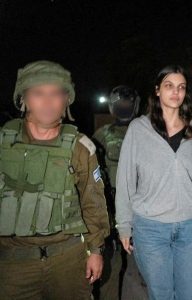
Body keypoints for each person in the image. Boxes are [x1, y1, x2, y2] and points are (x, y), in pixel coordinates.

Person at [0, 60, 110, 299]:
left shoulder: (81, 147)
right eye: (38, 93)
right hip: (12, 264)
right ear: (24, 99)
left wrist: (95, 250)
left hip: (68, 260)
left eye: (56, 94)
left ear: (66, 100)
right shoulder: (3, 143)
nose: (48, 103)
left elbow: (93, 203)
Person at [115, 65, 192, 300]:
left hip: (189, 227)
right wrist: (124, 225)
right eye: (169, 86)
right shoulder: (138, 129)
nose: (176, 92)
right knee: (162, 294)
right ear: (157, 91)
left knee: (190, 294)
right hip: (150, 227)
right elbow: (125, 181)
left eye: (181, 87)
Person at [92, 85, 141, 299]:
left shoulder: (147, 132)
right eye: (120, 104)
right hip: (111, 207)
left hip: (141, 208)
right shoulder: (102, 135)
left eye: (127, 104)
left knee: (144, 265)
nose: (124, 107)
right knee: (110, 263)